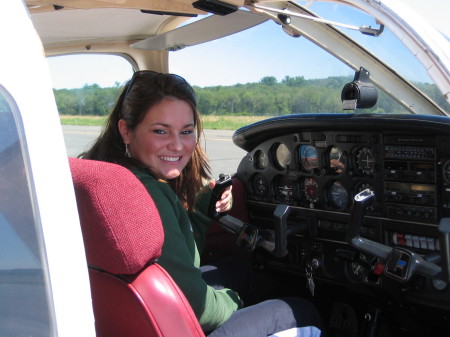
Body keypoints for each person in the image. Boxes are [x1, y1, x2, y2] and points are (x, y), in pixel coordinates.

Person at [81, 70, 324, 337]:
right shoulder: (143, 193)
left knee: (239, 270)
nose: (177, 146)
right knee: (299, 311)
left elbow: (176, 257)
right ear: (126, 131)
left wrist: (205, 204)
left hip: (130, 315)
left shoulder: (104, 175)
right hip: (171, 321)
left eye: (186, 131)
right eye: (161, 131)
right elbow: (196, 308)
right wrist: (235, 301)